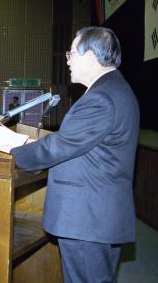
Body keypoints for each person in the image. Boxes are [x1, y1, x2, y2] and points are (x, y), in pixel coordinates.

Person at [10, 27, 139, 283]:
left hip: (87, 218)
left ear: (90, 57)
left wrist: (12, 153)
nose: (67, 60)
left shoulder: (102, 97)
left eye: (71, 54)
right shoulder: (115, 89)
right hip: (96, 216)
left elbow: (61, 146)